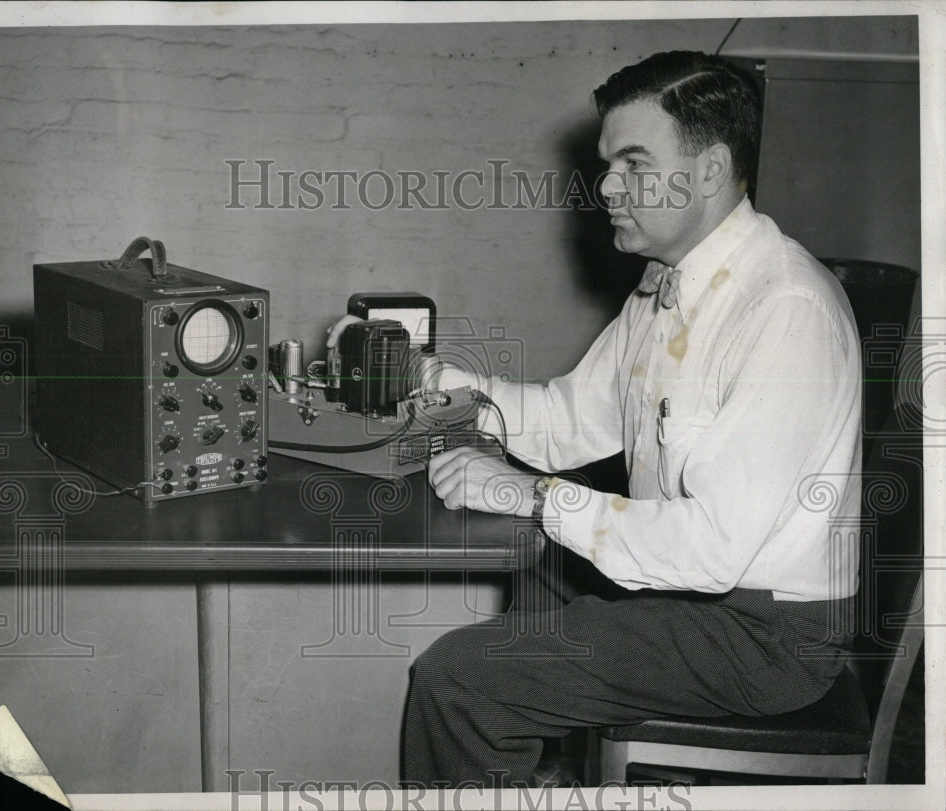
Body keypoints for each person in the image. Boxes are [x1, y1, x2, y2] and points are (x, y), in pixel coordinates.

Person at [330, 50, 862, 788]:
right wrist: (449, 385)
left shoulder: (783, 309)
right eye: (608, 164)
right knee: (539, 569)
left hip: (763, 636)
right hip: (704, 595)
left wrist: (531, 494)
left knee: (460, 680)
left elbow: (713, 548)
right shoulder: (668, 288)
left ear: (708, 172)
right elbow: (566, 420)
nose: (606, 186)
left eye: (633, 164)